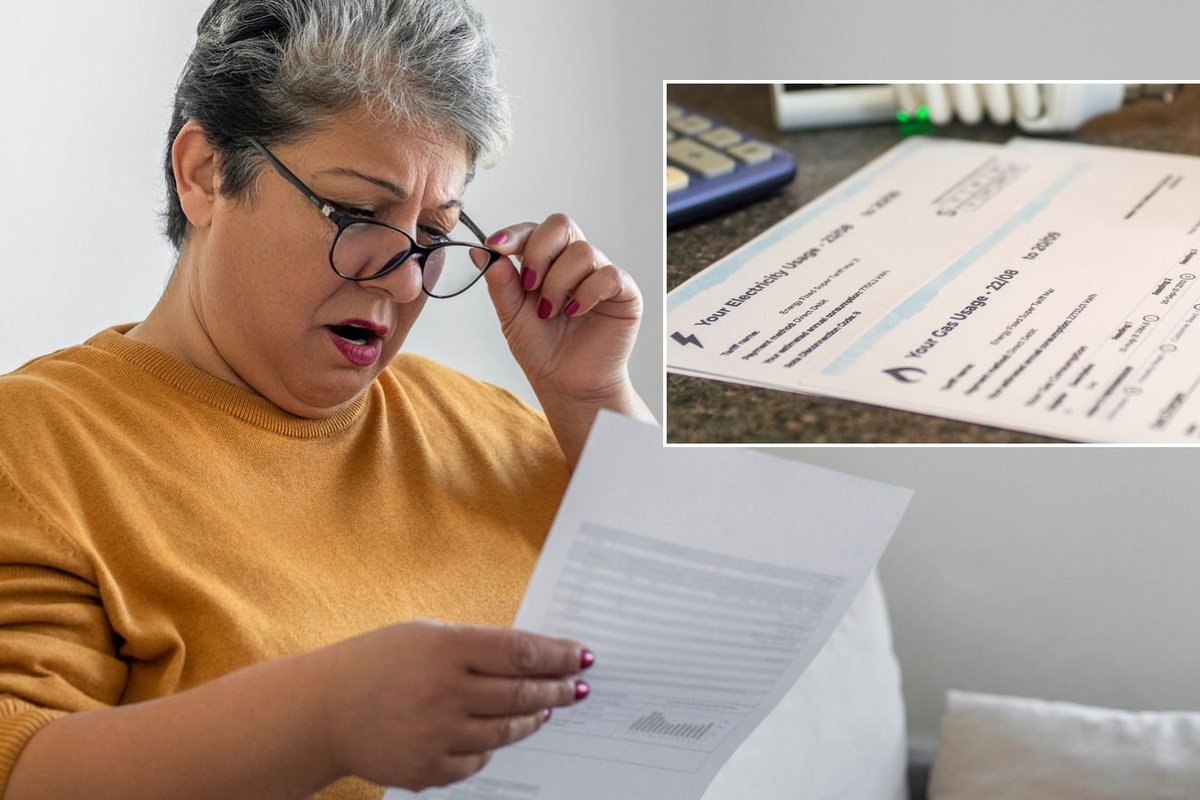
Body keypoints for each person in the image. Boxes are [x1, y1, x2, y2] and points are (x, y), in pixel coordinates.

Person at [0, 1, 654, 798]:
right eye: (354, 212)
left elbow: (710, 652)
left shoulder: (497, 430)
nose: (405, 277)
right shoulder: (36, 445)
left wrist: (595, 399)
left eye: (434, 233)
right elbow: (21, 768)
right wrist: (328, 718)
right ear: (205, 173)